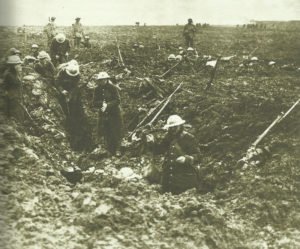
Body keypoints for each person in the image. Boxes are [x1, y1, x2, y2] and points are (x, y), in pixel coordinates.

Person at [154, 115, 200, 194]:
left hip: (184, 179)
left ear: (180, 126)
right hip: (169, 180)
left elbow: (198, 156)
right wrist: (151, 142)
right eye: (171, 127)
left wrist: (186, 159)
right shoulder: (167, 138)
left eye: (175, 127)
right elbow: (158, 151)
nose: (172, 129)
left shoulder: (189, 138)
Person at [56, 60, 92, 151]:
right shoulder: (62, 72)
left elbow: (75, 87)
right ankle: (69, 123)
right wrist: (62, 90)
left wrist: (71, 96)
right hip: (63, 90)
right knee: (65, 109)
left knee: (76, 108)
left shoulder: (77, 75)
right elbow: (57, 82)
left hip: (73, 91)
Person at [94, 72, 123, 156]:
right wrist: (101, 104)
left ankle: (118, 149)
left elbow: (117, 100)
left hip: (114, 113)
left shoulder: (113, 88)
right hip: (103, 113)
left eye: (103, 80)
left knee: (116, 131)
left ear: (107, 79)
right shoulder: (97, 89)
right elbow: (94, 102)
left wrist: (108, 105)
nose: (102, 82)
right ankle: (109, 150)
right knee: (106, 131)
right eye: (100, 80)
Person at [3, 55, 24, 123]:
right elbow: (16, 83)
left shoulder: (14, 73)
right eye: (17, 65)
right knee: (15, 112)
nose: (19, 66)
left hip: (17, 95)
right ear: (13, 66)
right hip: (13, 96)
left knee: (19, 111)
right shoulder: (9, 75)